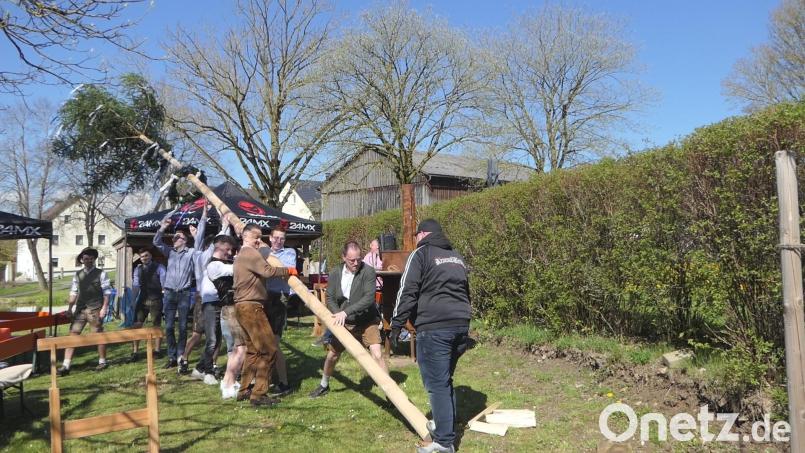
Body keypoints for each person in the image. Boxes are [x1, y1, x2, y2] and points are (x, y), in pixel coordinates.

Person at [391, 219, 471, 453]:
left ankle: (444, 443)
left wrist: (396, 324)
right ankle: (443, 423)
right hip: (460, 325)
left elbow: (407, 290)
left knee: (437, 384)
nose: (415, 238)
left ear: (423, 234)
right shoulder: (456, 257)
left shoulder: (421, 254)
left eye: (417, 235)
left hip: (434, 327)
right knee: (445, 379)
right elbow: (466, 292)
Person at [309, 241, 388, 399]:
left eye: (358, 259)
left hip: (367, 320)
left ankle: (390, 392)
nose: (356, 263)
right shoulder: (336, 272)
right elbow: (330, 298)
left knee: (377, 354)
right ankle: (324, 384)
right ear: (343, 257)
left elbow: (368, 298)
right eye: (352, 260)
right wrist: (339, 314)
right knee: (333, 355)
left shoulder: (368, 271)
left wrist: (345, 312)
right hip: (344, 323)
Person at [233, 223, 295, 407]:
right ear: (245, 237)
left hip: (242, 307)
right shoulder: (250, 253)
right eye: (255, 237)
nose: (259, 241)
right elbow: (267, 271)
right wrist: (288, 271)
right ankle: (259, 394)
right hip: (252, 308)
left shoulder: (240, 256)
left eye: (260, 237)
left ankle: (244, 390)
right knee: (269, 349)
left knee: (253, 351)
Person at [153, 204, 207, 371]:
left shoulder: (190, 252)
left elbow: (199, 243)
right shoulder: (169, 252)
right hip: (169, 294)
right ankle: (171, 356)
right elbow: (156, 241)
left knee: (183, 327)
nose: (174, 239)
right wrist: (163, 228)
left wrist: (203, 217)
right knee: (169, 327)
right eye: (174, 237)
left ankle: (180, 356)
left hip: (184, 294)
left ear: (184, 240)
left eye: (178, 237)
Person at [191, 217, 235, 386]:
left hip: (218, 303)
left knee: (215, 339)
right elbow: (230, 268)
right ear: (219, 247)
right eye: (228, 249)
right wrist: (224, 227)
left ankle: (200, 369)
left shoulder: (221, 260)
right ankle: (208, 372)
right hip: (209, 304)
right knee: (211, 340)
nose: (230, 253)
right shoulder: (209, 261)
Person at [57, 247, 112, 376]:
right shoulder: (77, 274)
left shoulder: (101, 273)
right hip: (80, 309)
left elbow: (107, 292)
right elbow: (74, 292)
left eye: (91, 259)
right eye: (86, 259)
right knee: (73, 334)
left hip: (95, 309)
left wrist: (105, 307)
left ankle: (102, 361)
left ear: (94, 259)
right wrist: (70, 308)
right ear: (82, 260)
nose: (88, 261)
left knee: (98, 334)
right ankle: (66, 365)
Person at [260, 226, 294, 397]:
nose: (279, 241)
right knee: (261, 340)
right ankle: (263, 379)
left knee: (274, 341)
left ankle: (284, 382)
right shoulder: (262, 253)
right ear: (270, 238)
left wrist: (266, 258)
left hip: (279, 298)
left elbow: (284, 271)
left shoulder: (289, 253)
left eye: (282, 238)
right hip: (263, 297)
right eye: (276, 238)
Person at [128, 247, 166, 362]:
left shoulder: (160, 267)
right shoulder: (137, 269)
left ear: (151, 256)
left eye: (146, 256)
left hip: (156, 300)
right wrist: (133, 301)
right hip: (142, 300)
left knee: (156, 326)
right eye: (142, 256)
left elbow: (164, 285)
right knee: (136, 325)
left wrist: (164, 298)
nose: (144, 258)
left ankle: (157, 350)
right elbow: (135, 286)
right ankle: (135, 351)